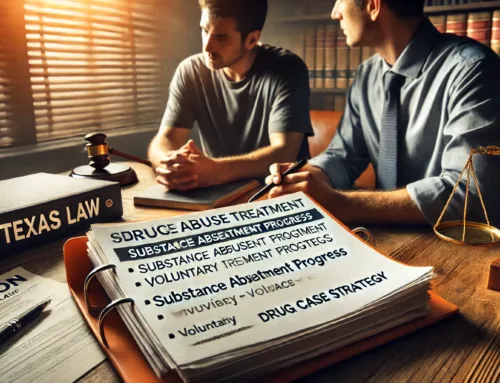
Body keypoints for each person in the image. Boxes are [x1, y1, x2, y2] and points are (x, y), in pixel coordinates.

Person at [266, 0, 500, 226]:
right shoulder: (367, 74)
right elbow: (343, 156)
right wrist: (308, 175)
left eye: (340, 0)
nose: (335, 13)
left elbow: (470, 193)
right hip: (385, 234)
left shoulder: (473, 69)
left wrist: (341, 203)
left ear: (373, 5)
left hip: (454, 244)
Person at [148, 0, 313, 191]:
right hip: (214, 191)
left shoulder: (288, 69)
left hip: (275, 191)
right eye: (204, 30)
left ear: (252, 39)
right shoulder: (190, 71)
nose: (207, 47)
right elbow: (165, 139)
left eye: (221, 37)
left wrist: (215, 170)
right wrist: (169, 165)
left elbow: (284, 152)